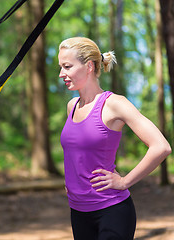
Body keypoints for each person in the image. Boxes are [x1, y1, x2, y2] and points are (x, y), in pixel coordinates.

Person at [58, 37, 171, 240]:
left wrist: (125, 181)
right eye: (61, 67)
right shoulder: (72, 106)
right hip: (78, 212)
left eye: (67, 66)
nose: (61, 74)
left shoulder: (114, 104)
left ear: (89, 66)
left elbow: (161, 146)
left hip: (112, 210)